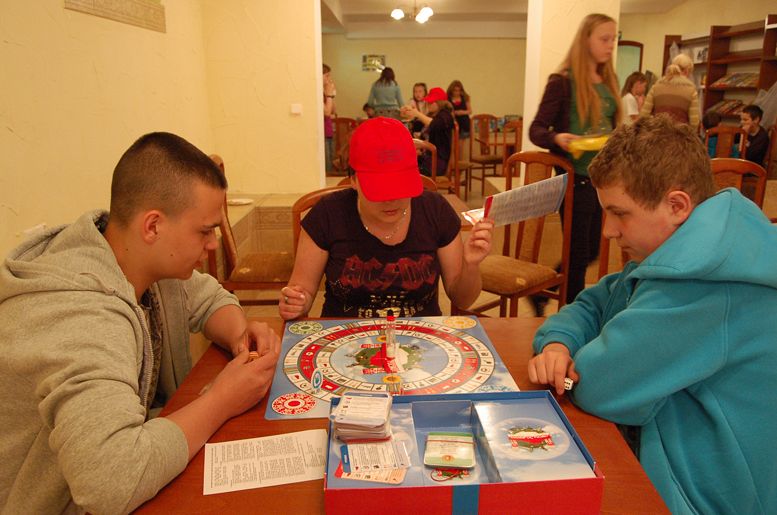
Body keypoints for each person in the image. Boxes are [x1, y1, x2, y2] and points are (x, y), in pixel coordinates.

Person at [0, 133, 281, 514]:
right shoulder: (84, 319)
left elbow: (209, 296)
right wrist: (221, 400)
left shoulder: (133, 252)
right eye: (204, 230)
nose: (213, 244)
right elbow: (111, 482)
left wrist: (238, 334)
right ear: (153, 226)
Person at [527, 115, 777, 515]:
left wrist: (579, 361)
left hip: (707, 490)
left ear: (676, 205)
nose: (608, 230)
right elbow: (594, 303)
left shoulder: (702, 281)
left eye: (619, 213)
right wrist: (559, 342)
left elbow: (597, 385)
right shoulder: (692, 242)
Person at [279, 117, 493, 320]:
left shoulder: (435, 210)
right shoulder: (328, 214)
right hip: (344, 337)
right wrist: (296, 301)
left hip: (422, 341)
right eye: (380, 190)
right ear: (353, 180)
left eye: (400, 186)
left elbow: (462, 299)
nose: (391, 200)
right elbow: (302, 291)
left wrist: (471, 265)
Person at [529, 13, 621, 308]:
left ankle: (542, 290)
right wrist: (558, 139)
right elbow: (537, 130)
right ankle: (571, 317)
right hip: (575, 180)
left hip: (603, 180)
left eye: (614, 39)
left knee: (590, 250)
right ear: (586, 40)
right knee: (578, 256)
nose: (610, 46)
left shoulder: (609, 79)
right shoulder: (563, 82)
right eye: (604, 39)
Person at [401, 87, 455, 178]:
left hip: (437, 162)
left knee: (404, 169)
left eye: (431, 102)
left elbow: (434, 124)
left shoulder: (446, 115)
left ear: (440, 103)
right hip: (428, 158)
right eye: (428, 102)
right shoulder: (432, 115)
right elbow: (419, 127)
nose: (428, 104)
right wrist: (408, 112)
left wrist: (417, 113)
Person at [639, 53, 699, 128]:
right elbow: (694, 123)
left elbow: (644, 116)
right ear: (687, 71)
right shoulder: (691, 91)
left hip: (656, 134)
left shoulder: (656, 87)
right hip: (679, 136)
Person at [323, 63, 337, 172]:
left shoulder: (324, 93)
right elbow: (327, 112)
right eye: (327, 76)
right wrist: (328, 95)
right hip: (323, 134)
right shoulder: (316, 93)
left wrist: (331, 95)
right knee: (326, 169)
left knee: (330, 166)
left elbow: (333, 110)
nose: (329, 79)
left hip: (328, 133)